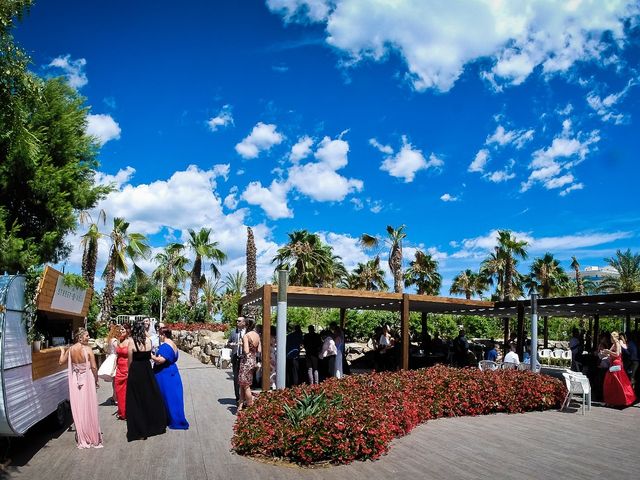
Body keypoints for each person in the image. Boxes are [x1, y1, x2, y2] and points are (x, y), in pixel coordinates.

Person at [58, 328, 103, 449]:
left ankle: (82, 433)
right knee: (89, 405)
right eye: (87, 336)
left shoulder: (71, 349)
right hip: (87, 379)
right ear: (80, 337)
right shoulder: (88, 349)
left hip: (76, 379)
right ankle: (91, 434)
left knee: (79, 406)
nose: (89, 338)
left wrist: (62, 350)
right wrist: (96, 380)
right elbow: (94, 367)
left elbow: (61, 361)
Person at [126, 319, 167, 441]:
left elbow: (130, 361)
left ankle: (139, 428)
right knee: (150, 398)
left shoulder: (132, 343)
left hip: (136, 372)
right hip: (147, 371)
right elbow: (150, 355)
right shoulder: (149, 341)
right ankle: (153, 425)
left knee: (136, 401)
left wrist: (130, 374)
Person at [151, 327, 189, 429]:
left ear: (163, 335)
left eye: (160, 335)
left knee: (168, 397)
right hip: (172, 372)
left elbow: (160, 360)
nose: (159, 337)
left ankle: (172, 419)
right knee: (174, 397)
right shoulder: (174, 344)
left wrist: (150, 355)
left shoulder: (166, 346)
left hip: (165, 374)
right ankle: (171, 417)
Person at [601, 331, 636, 407]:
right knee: (613, 383)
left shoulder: (617, 343)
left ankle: (614, 401)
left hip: (616, 365)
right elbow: (610, 353)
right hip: (613, 364)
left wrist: (608, 351)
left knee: (615, 383)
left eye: (611, 337)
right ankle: (611, 401)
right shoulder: (614, 344)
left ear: (614, 337)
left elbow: (617, 354)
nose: (610, 339)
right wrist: (604, 352)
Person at [237, 318, 260, 411]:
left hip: (246, 362)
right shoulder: (257, 335)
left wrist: (243, 345)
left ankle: (251, 407)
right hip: (253, 361)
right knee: (244, 384)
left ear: (246, 325)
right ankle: (240, 405)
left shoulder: (246, 336)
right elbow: (259, 350)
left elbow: (246, 350)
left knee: (246, 386)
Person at [114, 323, 131, 420]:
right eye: (120, 330)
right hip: (119, 368)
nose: (121, 331)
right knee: (119, 391)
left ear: (128, 330)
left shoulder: (130, 341)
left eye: (123, 329)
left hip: (127, 368)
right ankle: (122, 412)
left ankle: (128, 412)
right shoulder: (119, 341)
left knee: (128, 392)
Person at [228, 317, 246, 402]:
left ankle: (244, 398)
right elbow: (228, 343)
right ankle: (237, 398)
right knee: (236, 378)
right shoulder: (233, 332)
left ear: (244, 322)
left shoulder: (247, 332)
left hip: (245, 359)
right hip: (236, 357)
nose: (237, 322)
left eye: (239, 321)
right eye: (237, 321)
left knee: (245, 379)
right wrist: (232, 344)